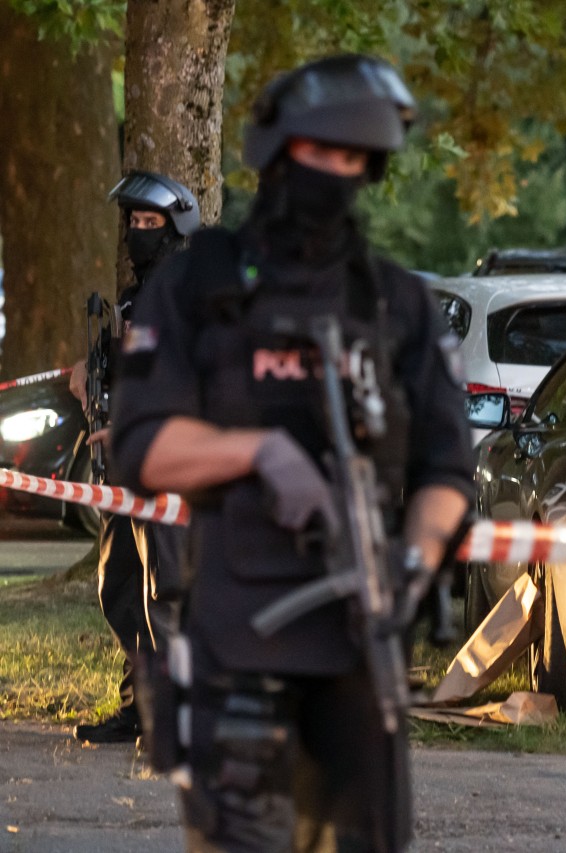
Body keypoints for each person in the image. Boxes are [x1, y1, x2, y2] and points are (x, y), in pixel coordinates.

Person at [110, 54, 473, 851]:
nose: (336, 173)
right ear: (277, 152)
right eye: (322, 152)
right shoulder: (196, 286)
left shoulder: (394, 302)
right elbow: (141, 448)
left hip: (360, 654)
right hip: (239, 643)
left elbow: (449, 469)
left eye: (354, 160)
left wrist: (416, 556)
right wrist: (260, 453)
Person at [69, 170, 200, 744]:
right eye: (135, 223)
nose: (140, 233)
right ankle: (141, 706)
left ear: (176, 228)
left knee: (164, 592)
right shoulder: (136, 297)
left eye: (151, 223)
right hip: (125, 468)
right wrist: (89, 368)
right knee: (118, 586)